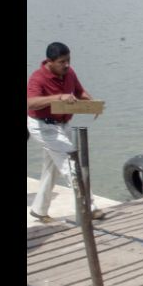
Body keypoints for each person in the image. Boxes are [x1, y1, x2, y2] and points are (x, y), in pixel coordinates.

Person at [27, 42, 105, 222]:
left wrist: (92, 104)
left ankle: (39, 210)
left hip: (62, 124)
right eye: (62, 62)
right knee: (71, 162)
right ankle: (89, 207)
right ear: (49, 62)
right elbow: (30, 103)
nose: (67, 65)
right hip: (43, 126)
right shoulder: (38, 78)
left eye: (68, 60)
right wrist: (58, 97)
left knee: (52, 168)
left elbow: (79, 91)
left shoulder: (69, 73)